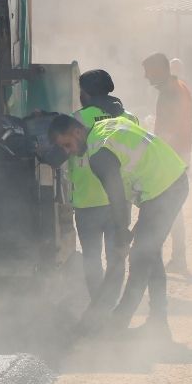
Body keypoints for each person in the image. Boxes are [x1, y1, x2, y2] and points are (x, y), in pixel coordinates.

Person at [50, 113, 189, 341]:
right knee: (149, 254)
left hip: (165, 189)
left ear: (76, 132)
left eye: (67, 145)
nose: (69, 152)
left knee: (140, 257)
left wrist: (122, 233)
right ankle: (158, 325)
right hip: (168, 181)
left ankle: (116, 327)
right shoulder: (104, 127)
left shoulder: (98, 155)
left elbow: (115, 195)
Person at [70, 69, 139, 301]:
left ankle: (97, 306)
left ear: (86, 93)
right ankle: (110, 304)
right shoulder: (129, 118)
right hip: (119, 200)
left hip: (87, 201)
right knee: (116, 257)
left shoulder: (78, 119)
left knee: (91, 258)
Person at [142, 52, 192, 274]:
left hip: (171, 157)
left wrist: (155, 152)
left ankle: (174, 258)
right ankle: (177, 257)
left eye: (148, 72)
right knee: (173, 208)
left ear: (160, 70)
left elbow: (170, 129)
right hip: (177, 155)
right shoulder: (178, 87)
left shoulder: (172, 92)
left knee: (168, 207)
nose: (146, 77)